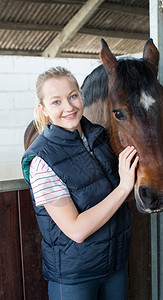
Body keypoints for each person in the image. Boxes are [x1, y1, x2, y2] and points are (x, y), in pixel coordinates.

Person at [21, 66, 139, 300]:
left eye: (73, 96)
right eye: (56, 102)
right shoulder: (41, 161)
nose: (69, 107)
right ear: (43, 109)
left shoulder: (99, 137)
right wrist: (124, 186)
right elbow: (76, 230)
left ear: (81, 96)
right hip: (76, 278)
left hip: (114, 266)